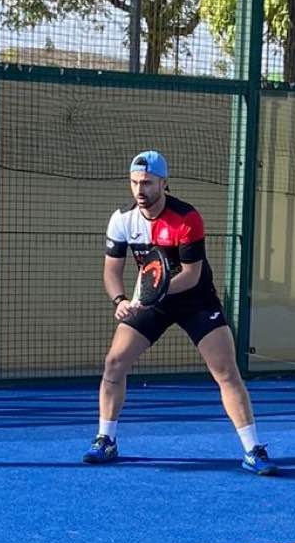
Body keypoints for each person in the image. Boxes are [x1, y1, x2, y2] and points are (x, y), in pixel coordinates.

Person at [85, 150, 275, 471]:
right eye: (134, 182)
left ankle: (253, 450)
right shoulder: (122, 220)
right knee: (114, 363)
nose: (140, 190)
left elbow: (191, 275)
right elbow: (111, 271)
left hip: (196, 301)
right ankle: (106, 439)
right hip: (151, 301)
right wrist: (120, 301)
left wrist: (151, 294)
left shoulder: (187, 218)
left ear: (164, 183)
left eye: (147, 183)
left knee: (226, 371)